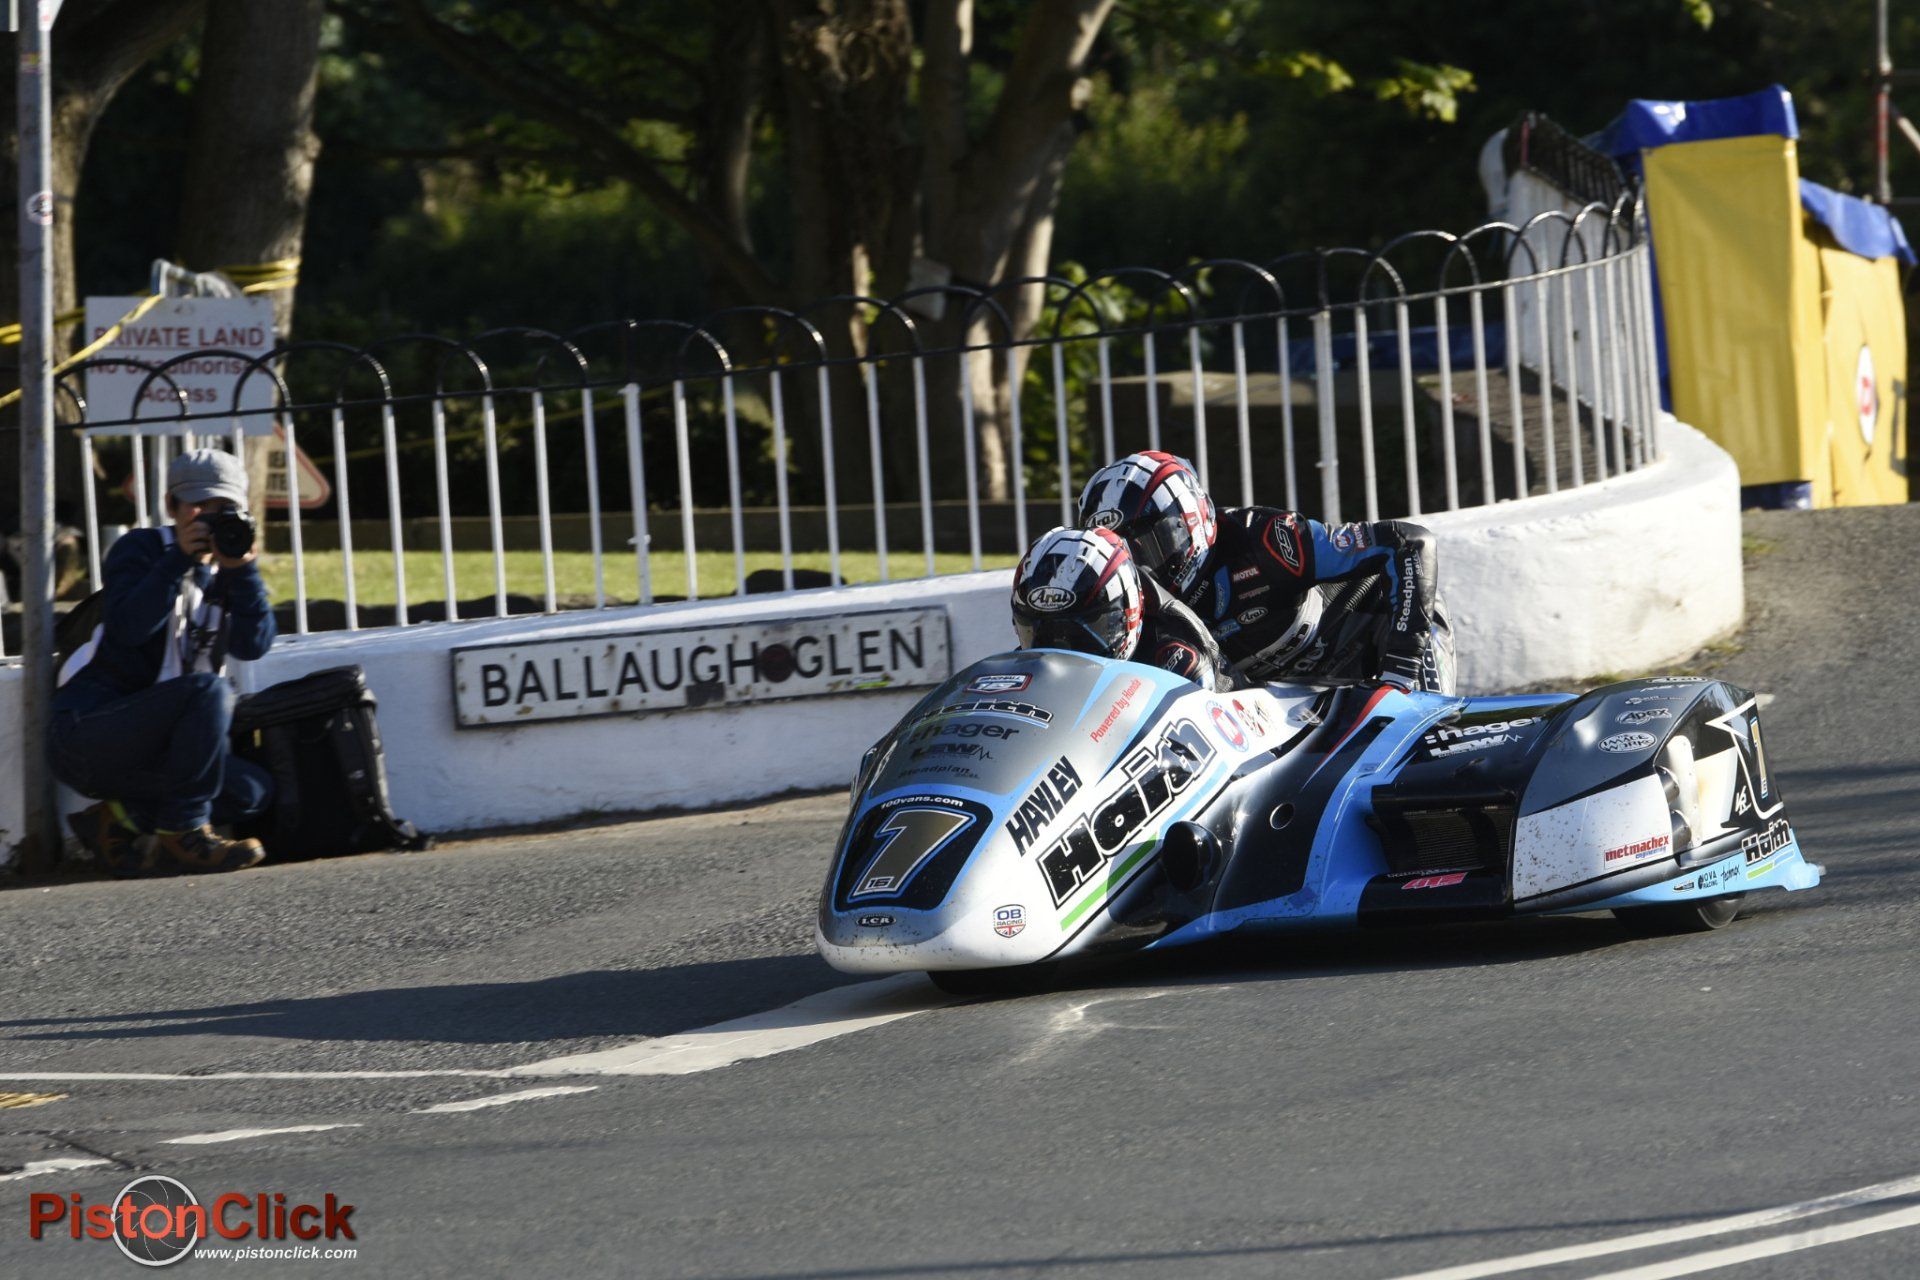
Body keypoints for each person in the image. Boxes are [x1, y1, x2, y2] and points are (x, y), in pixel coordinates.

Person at [50, 448, 275, 876]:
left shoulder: (233, 569)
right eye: (198, 506)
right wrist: (176, 562)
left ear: (243, 515)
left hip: (160, 749)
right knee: (210, 691)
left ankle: (116, 819)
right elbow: (128, 630)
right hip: (87, 733)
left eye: (224, 509)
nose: (208, 518)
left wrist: (243, 572)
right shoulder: (142, 549)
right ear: (171, 507)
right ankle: (185, 830)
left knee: (252, 790)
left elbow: (254, 645)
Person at [1076, 450, 1454, 693]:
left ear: (1189, 521)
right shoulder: (1127, 604)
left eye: (1147, 543)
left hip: (1376, 645)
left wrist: (1400, 668)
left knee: (1415, 752)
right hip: (1277, 701)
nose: (1138, 563)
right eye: (1122, 550)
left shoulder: (1268, 538)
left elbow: (1409, 543)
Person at [1009, 525, 1228, 691]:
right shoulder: (1018, 670)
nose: (1060, 649)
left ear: (1128, 614)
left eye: (1083, 633)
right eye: (1042, 632)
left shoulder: (1177, 662)